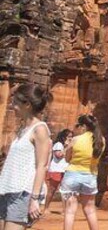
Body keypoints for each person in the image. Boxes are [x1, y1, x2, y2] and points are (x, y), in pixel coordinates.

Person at [0, 84, 52, 230]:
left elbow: (42, 165)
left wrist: (34, 199)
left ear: (27, 105)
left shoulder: (40, 129)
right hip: (8, 189)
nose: (12, 105)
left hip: (23, 192)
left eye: (15, 102)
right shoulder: (23, 129)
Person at [60, 114, 105, 230]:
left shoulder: (76, 139)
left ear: (84, 126)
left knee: (70, 211)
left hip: (72, 175)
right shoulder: (101, 141)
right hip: (90, 176)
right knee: (90, 210)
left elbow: (67, 159)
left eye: (78, 125)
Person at [45, 129, 73, 210]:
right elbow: (58, 155)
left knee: (65, 190)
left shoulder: (68, 145)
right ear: (64, 137)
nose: (70, 138)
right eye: (69, 136)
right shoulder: (58, 144)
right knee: (52, 189)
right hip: (56, 170)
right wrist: (67, 147)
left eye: (71, 137)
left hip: (65, 169)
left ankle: (64, 210)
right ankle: (46, 208)